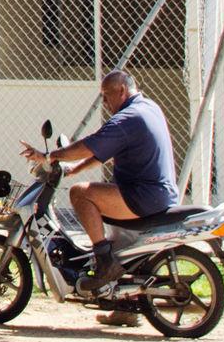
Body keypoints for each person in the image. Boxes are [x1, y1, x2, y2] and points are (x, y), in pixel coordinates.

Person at [21, 69, 178, 310]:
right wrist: (74, 169)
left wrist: (48, 156)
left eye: (106, 95)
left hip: (143, 197)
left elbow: (89, 146)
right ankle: (124, 308)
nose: (104, 102)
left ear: (122, 90)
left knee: (80, 193)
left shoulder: (128, 118)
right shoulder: (149, 107)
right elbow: (104, 152)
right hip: (158, 194)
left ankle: (105, 263)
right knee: (111, 227)